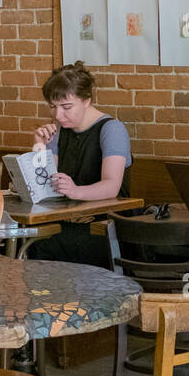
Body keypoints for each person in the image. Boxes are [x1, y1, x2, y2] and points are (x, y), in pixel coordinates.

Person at [24, 61, 131, 268]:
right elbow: (44, 185)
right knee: (34, 241)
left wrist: (75, 191)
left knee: (45, 245)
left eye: (66, 107)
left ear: (87, 100)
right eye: (53, 107)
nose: (58, 115)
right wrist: (39, 146)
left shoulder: (112, 130)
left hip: (103, 225)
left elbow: (112, 186)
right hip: (68, 220)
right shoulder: (59, 130)